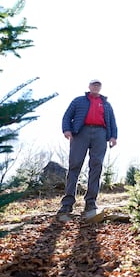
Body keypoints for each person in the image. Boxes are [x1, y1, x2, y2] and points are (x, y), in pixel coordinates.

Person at [57, 79, 118, 215]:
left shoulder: (106, 104)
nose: (96, 87)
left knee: (96, 166)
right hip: (80, 132)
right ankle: (67, 203)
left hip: (101, 134)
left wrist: (113, 136)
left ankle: (90, 202)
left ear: (100, 88)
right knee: (75, 165)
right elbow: (67, 116)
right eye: (94, 85)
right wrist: (66, 130)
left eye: (98, 85)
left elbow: (112, 121)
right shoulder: (79, 100)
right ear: (89, 86)